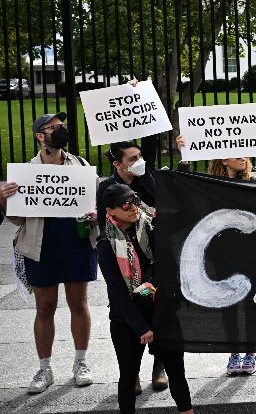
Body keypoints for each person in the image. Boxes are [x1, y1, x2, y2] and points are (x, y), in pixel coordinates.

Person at [1, 113, 98, 394]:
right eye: (52, 128)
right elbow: (17, 220)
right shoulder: (25, 171)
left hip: (77, 243)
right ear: (39, 137)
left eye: (61, 126)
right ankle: (44, 368)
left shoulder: (80, 165)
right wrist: (4, 200)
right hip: (40, 245)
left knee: (79, 303)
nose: (60, 130)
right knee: (44, 308)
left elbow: (94, 204)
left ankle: (81, 362)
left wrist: (95, 214)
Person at [176, 133, 256, 375]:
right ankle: (233, 352)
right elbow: (184, 187)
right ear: (222, 159)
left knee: (252, 304)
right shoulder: (211, 187)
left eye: (244, 151)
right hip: (223, 255)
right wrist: (184, 157)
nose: (241, 155)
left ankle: (250, 352)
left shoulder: (251, 182)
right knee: (228, 304)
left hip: (252, 253)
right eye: (235, 151)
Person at [96, 183, 194, 414]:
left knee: (176, 372)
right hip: (127, 320)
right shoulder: (106, 245)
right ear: (110, 211)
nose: (132, 207)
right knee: (128, 375)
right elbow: (118, 294)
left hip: (162, 312)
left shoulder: (151, 227)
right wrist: (141, 328)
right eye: (125, 204)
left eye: (134, 200)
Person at [98, 139, 168, 393]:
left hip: (150, 260)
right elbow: (105, 224)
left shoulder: (145, 180)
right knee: (127, 310)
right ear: (117, 164)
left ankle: (159, 366)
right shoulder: (107, 188)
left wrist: (144, 177)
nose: (138, 162)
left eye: (140, 156)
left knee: (156, 310)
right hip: (123, 262)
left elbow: (160, 203)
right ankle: (132, 372)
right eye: (132, 159)